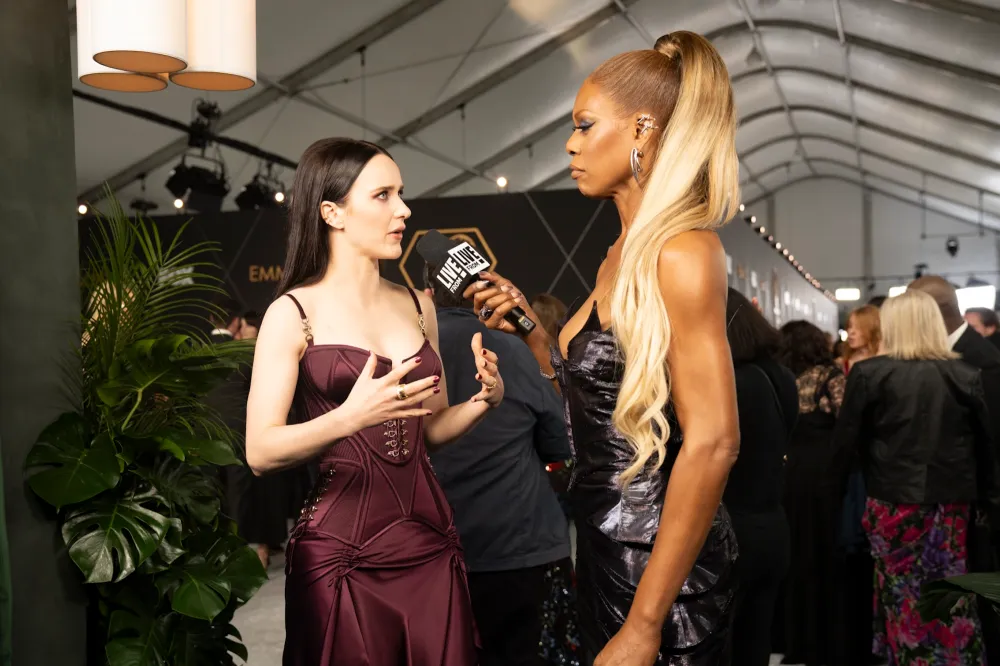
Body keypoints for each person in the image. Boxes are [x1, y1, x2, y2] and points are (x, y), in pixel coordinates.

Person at [466, 31, 741, 665]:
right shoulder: (620, 253)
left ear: (642, 129)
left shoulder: (685, 250)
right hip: (601, 546)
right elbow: (602, 405)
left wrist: (645, 623)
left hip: (661, 570)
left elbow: (714, 442)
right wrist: (534, 334)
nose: (570, 143)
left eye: (585, 125)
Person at [244, 138, 505, 666]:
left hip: (431, 543)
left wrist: (484, 400)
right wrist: (349, 417)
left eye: (401, 193)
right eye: (383, 195)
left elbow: (430, 428)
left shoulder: (418, 306)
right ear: (332, 213)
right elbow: (260, 451)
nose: (403, 210)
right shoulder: (292, 313)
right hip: (339, 553)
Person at [833, 289, 1000, 665]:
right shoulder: (964, 374)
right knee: (949, 594)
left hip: (892, 505)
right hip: (950, 506)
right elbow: (985, 451)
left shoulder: (870, 373)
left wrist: (831, 501)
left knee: (899, 596)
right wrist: (990, 506)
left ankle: (905, 656)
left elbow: (844, 446)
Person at [422, 261, 573, 666]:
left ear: (429, 295)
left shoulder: (408, 351)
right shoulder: (515, 348)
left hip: (438, 554)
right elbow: (560, 442)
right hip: (523, 548)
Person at [777, 321, 871, 666]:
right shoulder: (830, 376)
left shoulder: (781, 378)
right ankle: (827, 639)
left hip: (788, 475)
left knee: (796, 554)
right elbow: (850, 424)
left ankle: (795, 638)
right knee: (825, 554)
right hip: (824, 475)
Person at [723, 289, 797, 666]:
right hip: (771, 524)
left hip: (731, 530)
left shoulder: (729, 383)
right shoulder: (780, 375)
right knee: (755, 640)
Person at [844, 304, 880, 373]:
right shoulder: (845, 361)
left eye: (858, 327)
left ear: (872, 329)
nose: (851, 332)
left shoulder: (883, 360)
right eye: (850, 326)